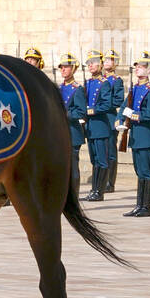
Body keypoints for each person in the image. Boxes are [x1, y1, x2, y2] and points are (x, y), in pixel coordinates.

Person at [119, 52, 150, 217]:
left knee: (146, 172)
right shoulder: (134, 89)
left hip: (146, 137)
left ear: (149, 70)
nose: (137, 68)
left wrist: (133, 114)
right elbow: (124, 108)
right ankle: (139, 205)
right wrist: (120, 119)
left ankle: (147, 207)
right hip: (136, 137)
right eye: (136, 66)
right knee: (139, 172)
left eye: (141, 66)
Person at [81, 51, 117, 202]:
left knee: (102, 160)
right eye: (88, 62)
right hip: (90, 127)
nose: (90, 65)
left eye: (93, 61)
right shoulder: (88, 83)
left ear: (100, 64)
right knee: (94, 160)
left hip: (101, 127)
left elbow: (106, 104)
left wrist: (90, 110)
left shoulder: (105, 83)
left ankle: (99, 191)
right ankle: (94, 189)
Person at [59, 54, 87, 194]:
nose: (63, 70)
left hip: (72, 133)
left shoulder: (77, 89)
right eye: (62, 67)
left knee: (73, 168)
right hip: (60, 134)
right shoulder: (59, 88)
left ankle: (74, 195)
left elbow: (81, 112)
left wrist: (65, 114)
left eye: (66, 67)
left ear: (73, 69)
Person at [102, 49, 124, 193]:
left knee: (110, 151)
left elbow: (118, 100)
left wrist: (102, 105)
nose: (106, 62)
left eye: (109, 60)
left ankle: (110, 182)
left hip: (109, 118)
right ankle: (102, 181)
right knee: (101, 152)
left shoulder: (116, 81)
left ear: (115, 63)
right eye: (105, 60)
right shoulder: (100, 80)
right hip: (100, 119)